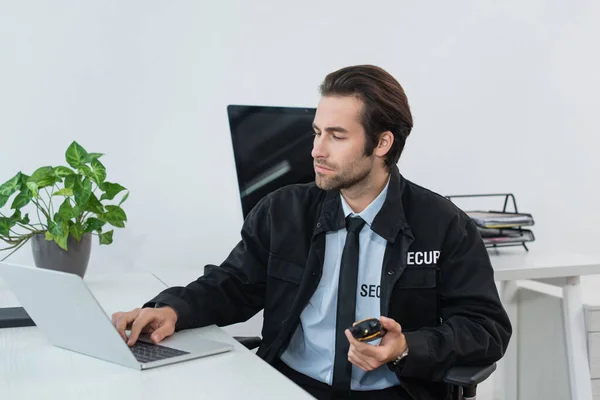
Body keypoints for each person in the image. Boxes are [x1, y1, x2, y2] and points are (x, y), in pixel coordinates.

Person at [111, 65, 512, 400]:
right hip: (290, 387)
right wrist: (171, 310)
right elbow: (232, 284)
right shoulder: (283, 211)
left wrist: (407, 346)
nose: (317, 150)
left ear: (382, 143)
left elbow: (485, 328)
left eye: (337, 136)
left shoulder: (442, 224)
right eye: (317, 132)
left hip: (394, 393)